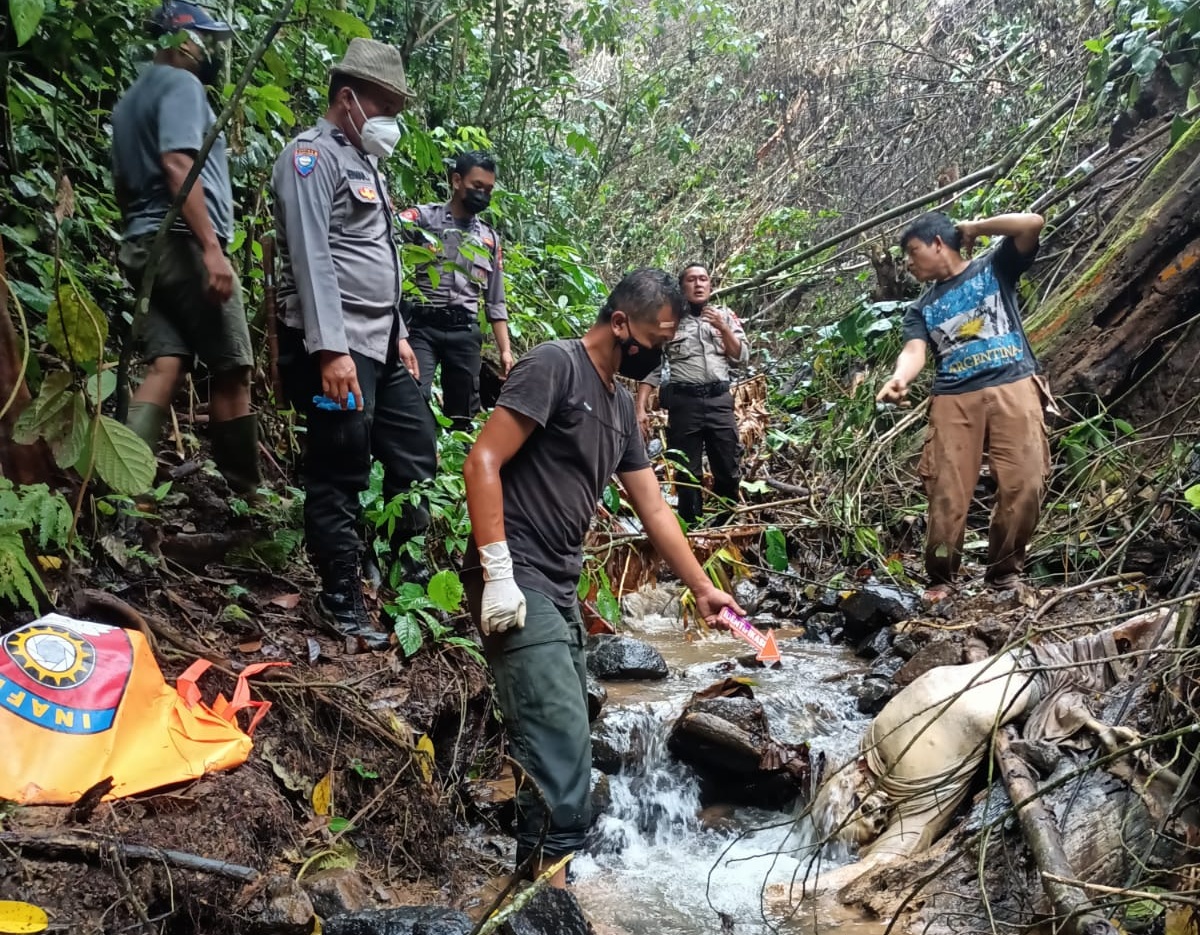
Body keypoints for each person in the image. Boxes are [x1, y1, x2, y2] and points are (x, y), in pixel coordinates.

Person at [462, 267, 744, 887]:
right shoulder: (553, 367)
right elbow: (481, 458)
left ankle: (535, 897)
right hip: (517, 575)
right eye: (656, 340)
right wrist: (498, 571)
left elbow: (654, 508)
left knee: (561, 740)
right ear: (620, 324)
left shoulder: (619, 403)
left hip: (559, 585)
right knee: (561, 751)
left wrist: (701, 587)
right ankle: (546, 902)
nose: (659, 356)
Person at [271, 38, 436, 649]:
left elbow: (378, 257)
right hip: (338, 350)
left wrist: (399, 335)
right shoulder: (309, 159)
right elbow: (313, 258)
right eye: (385, 106)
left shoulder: (365, 164)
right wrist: (330, 350)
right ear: (349, 99)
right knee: (340, 469)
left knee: (416, 454)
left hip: (382, 345)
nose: (392, 120)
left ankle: (405, 583)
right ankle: (339, 595)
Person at [111, 0, 260, 493]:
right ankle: (246, 497)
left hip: (142, 244)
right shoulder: (181, 84)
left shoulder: (130, 99)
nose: (209, 53)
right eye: (205, 40)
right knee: (233, 366)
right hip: (182, 244)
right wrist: (211, 250)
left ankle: (127, 494)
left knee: (167, 363)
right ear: (183, 39)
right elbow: (178, 164)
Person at [876, 211, 1050, 600]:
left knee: (1025, 483)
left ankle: (1004, 573)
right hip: (953, 397)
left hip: (1013, 383)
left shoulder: (994, 267)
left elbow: (1032, 223)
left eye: (913, 251)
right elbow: (914, 350)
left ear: (938, 244)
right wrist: (901, 378)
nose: (908, 262)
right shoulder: (920, 308)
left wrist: (977, 228)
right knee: (947, 493)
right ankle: (941, 577)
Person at [398, 152, 512, 432]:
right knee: (413, 395)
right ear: (457, 181)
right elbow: (383, 235)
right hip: (422, 325)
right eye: (477, 186)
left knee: (462, 414)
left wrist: (505, 350)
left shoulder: (488, 238)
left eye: (488, 190)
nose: (483, 194)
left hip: (464, 331)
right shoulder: (424, 219)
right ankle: (418, 463)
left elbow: (495, 300)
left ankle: (456, 469)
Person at [635, 263, 749, 525]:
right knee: (687, 472)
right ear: (681, 286)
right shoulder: (668, 321)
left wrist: (722, 327)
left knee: (729, 469)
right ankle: (692, 531)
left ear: (710, 285)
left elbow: (741, 357)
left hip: (720, 400)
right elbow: (652, 367)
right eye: (691, 280)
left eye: (703, 279)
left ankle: (725, 526)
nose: (698, 284)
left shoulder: (726, 316)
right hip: (684, 404)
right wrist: (640, 408)